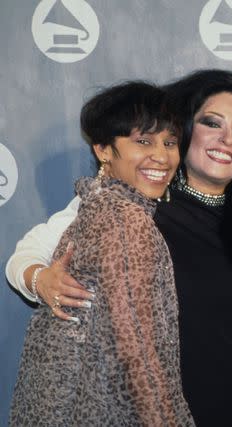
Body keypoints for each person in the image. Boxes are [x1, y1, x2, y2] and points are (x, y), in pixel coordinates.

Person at [6, 70, 232, 426]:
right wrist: (41, 281)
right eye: (212, 123)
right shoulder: (134, 207)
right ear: (186, 130)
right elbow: (27, 253)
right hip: (165, 409)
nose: (227, 140)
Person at [10, 81, 194, 425]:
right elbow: (136, 348)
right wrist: (40, 279)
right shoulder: (124, 217)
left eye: (170, 142)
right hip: (106, 407)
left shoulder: (100, 202)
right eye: (143, 141)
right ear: (103, 150)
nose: (162, 155)